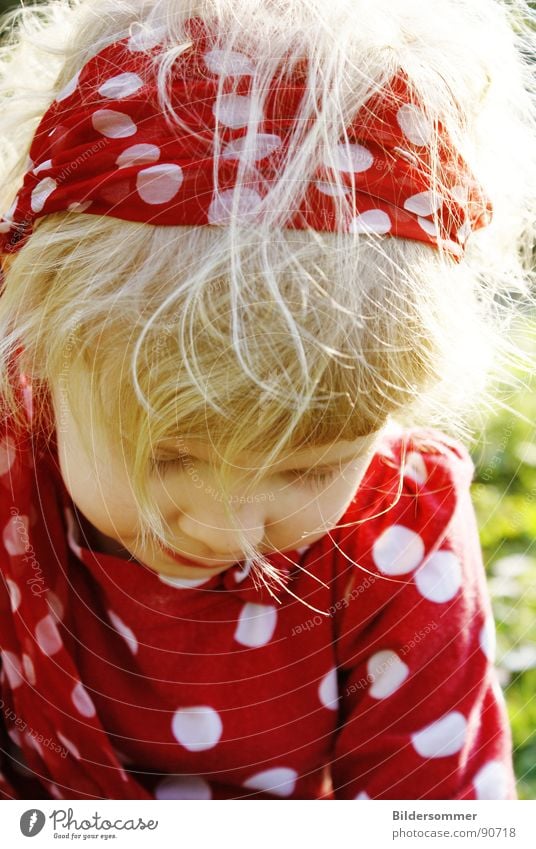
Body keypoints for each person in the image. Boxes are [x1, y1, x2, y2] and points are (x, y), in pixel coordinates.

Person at [0, 0, 534, 801]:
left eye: (311, 468)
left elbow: (434, 813)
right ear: (41, 349)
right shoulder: (14, 466)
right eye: (170, 454)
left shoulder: (398, 533)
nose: (231, 528)